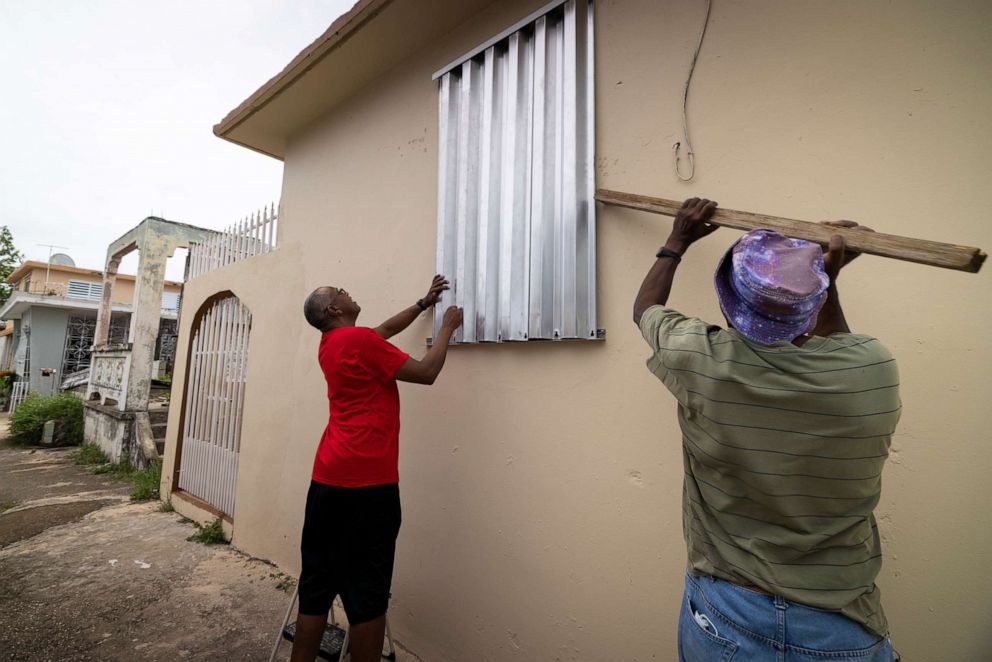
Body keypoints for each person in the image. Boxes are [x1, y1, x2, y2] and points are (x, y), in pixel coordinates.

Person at [633, 198, 901, 661]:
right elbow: (840, 348)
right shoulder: (873, 370)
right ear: (812, 305)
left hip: (728, 613)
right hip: (841, 626)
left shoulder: (703, 359)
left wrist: (678, 240)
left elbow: (645, 309)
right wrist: (825, 281)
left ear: (732, 301)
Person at [291, 275, 463, 662]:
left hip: (327, 479)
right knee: (367, 588)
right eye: (340, 292)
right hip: (368, 484)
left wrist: (423, 303)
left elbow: (384, 330)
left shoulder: (333, 343)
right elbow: (426, 372)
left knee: (317, 582)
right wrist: (447, 329)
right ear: (335, 309)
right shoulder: (360, 342)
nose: (348, 291)